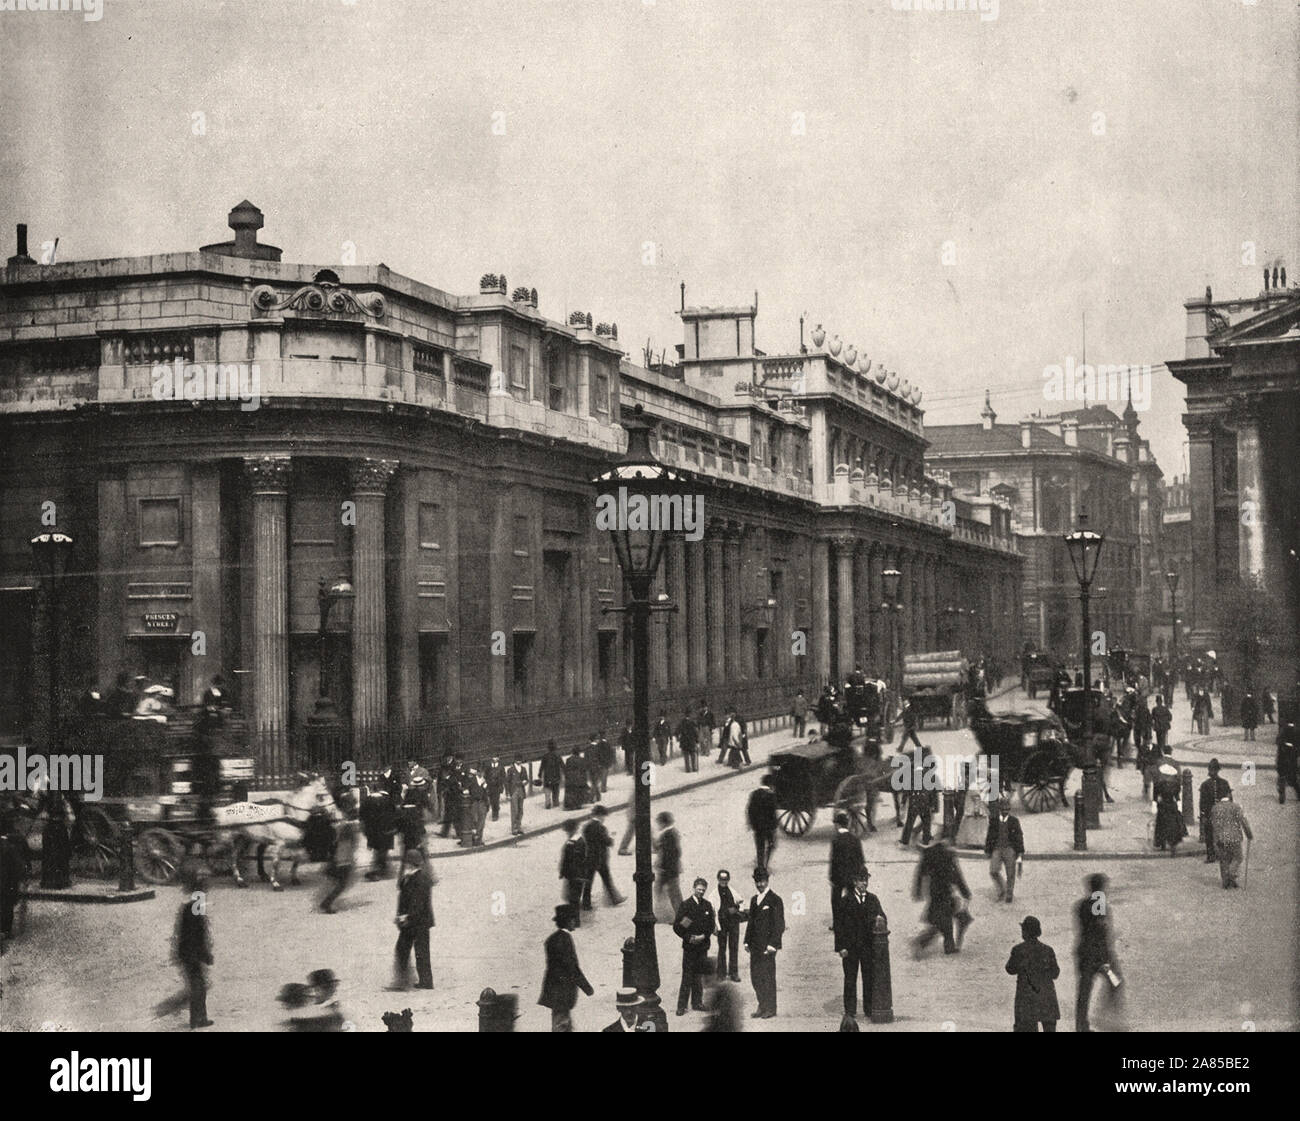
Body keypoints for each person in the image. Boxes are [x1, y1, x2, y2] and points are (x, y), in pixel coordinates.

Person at [164, 869, 214, 1029]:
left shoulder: (190, 904)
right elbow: (198, 931)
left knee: (198, 985)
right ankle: (198, 1019)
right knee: (199, 986)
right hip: (192, 953)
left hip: (187, 951)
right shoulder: (197, 904)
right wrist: (204, 953)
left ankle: (198, 1018)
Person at [835, 867, 886, 1023]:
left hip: (868, 948)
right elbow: (839, 926)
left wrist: (879, 920)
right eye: (861, 880)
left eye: (866, 880)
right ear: (854, 882)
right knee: (850, 978)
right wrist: (841, 947)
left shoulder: (873, 900)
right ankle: (850, 1010)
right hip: (850, 949)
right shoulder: (845, 901)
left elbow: (883, 918)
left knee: (868, 977)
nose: (864, 883)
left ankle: (869, 1008)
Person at [1074, 873, 1120, 1033]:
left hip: (1085, 955)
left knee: (1084, 991)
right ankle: (1110, 1020)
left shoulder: (1080, 905)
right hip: (1101, 958)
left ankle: (1081, 1027)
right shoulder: (1098, 903)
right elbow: (1100, 925)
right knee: (1116, 981)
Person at [912, 837, 973, 956]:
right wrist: (965, 892)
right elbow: (957, 876)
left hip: (934, 892)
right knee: (942, 922)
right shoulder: (949, 854)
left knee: (943, 920)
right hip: (945, 892)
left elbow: (920, 873)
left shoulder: (928, 853)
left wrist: (918, 891)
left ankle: (947, 946)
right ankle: (923, 942)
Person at [538, 904, 594, 1032]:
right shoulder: (565, 940)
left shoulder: (552, 939)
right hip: (562, 992)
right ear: (568, 921)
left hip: (554, 990)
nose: (575, 922)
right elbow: (572, 968)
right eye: (573, 919)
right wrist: (586, 987)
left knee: (563, 1023)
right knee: (561, 1025)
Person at [740, 867, 785, 1019]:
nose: (760, 884)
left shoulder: (775, 900)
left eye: (762, 881)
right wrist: (747, 941)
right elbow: (751, 922)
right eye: (757, 882)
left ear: (767, 881)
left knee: (768, 977)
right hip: (755, 947)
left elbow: (779, 924)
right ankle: (762, 1005)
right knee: (755, 977)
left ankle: (771, 1008)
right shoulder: (754, 900)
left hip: (767, 947)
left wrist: (773, 944)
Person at [390, 849, 435, 991]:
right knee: (414, 950)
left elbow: (418, 903)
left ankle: (411, 982)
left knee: (412, 950)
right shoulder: (410, 877)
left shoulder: (420, 879)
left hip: (417, 921)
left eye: (406, 863)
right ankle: (421, 981)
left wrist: (406, 917)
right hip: (413, 921)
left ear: (411, 863)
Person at [1006, 916, 1060, 1032]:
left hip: (1026, 999)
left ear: (1025, 932)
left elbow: (1010, 969)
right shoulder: (1048, 950)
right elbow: (1055, 973)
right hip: (1047, 997)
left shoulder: (1018, 950)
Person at [673, 877, 716, 1015]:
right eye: (699, 889)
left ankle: (697, 1003)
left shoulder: (707, 906)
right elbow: (678, 926)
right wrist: (689, 937)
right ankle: (681, 1006)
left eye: (703, 890)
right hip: (690, 947)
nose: (701, 892)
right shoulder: (686, 905)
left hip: (702, 947)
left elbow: (710, 925)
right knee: (687, 976)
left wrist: (704, 936)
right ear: (694, 888)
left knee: (698, 976)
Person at [319, 790, 359, 914]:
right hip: (342, 856)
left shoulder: (340, 817)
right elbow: (346, 840)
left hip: (338, 854)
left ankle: (326, 901)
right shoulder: (345, 821)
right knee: (342, 883)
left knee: (340, 882)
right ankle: (326, 903)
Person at [581, 805, 625, 909]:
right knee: (607, 879)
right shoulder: (601, 827)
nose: (604, 818)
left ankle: (586, 903)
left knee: (589, 882)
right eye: (604, 816)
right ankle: (615, 899)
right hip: (600, 858)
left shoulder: (587, 826)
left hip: (590, 856)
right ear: (600, 815)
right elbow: (606, 842)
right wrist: (611, 838)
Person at [828, 809, 865, 930]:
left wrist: (832, 877)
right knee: (852, 898)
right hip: (852, 876)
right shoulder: (855, 839)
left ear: (838, 824)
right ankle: (854, 922)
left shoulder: (835, 839)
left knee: (836, 900)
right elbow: (861, 860)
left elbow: (833, 860)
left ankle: (837, 924)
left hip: (839, 876)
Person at [984, 798, 1025, 903]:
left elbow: (1019, 837)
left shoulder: (1014, 821)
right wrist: (988, 850)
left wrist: (1020, 852)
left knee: (1010, 873)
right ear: (1000, 809)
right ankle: (1002, 889)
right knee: (993, 871)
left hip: (1009, 849)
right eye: (1003, 809)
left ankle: (1009, 894)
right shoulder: (994, 821)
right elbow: (989, 836)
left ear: (1010, 809)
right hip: (997, 849)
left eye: (1007, 809)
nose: (1005, 811)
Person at [1209, 793, 1252, 889]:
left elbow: (1213, 825)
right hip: (1234, 837)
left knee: (1224, 859)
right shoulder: (1235, 807)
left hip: (1221, 838)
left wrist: (1215, 840)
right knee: (1238, 857)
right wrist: (1249, 834)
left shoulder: (1215, 808)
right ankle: (1231, 875)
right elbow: (1243, 821)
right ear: (1230, 798)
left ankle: (1226, 882)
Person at [1198, 759, 1232, 864]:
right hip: (1222, 813)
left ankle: (1211, 855)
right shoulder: (1225, 783)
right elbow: (1230, 799)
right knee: (1222, 834)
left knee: (1209, 835)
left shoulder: (1205, 785)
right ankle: (1223, 854)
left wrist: (1202, 814)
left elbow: (1202, 802)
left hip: (1210, 813)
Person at [714, 868, 742, 983]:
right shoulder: (714, 893)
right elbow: (713, 910)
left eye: (725, 879)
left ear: (728, 879)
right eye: (721, 879)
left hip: (733, 923)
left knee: (734, 947)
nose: (723, 881)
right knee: (722, 948)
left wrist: (735, 909)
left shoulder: (732, 891)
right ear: (718, 879)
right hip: (722, 923)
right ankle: (721, 973)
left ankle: (733, 972)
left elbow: (740, 901)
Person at [1151, 763, 1186, 854]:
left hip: (1162, 806)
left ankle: (1162, 843)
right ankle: (1172, 844)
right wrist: (1179, 805)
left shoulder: (1158, 784)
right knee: (1172, 825)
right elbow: (1177, 796)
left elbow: (1155, 796)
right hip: (1171, 806)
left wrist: (1154, 805)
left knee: (1162, 825)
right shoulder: (1175, 784)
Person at [558, 820, 588, 924]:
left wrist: (562, 872)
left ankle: (575, 920)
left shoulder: (571, 843)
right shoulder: (581, 840)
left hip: (573, 875)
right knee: (575, 897)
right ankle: (575, 918)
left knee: (573, 898)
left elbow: (567, 860)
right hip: (580, 875)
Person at [654, 811, 683, 917]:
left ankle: (679, 916)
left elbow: (668, 853)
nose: (658, 826)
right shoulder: (672, 832)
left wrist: (661, 866)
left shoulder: (667, 835)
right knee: (667, 890)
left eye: (658, 823)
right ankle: (667, 914)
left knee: (673, 893)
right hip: (672, 868)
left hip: (668, 869)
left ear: (663, 823)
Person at [746, 775, 777, 870]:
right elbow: (772, 812)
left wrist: (751, 823)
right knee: (771, 845)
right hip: (768, 827)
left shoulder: (754, 794)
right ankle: (765, 865)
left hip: (757, 827)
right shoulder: (771, 796)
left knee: (760, 847)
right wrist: (774, 825)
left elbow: (750, 810)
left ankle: (760, 865)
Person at [1279, 707, 1300, 803]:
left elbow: (1279, 742)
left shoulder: (1283, 730)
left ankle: (1282, 797)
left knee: (1283, 777)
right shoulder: (1296, 730)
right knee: (1293, 779)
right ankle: (1298, 794)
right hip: (1292, 757)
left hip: (1284, 757)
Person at [504, 755, 529, 837]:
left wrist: (525, 782)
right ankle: (514, 828)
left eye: (520, 760)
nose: (519, 761)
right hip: (514, 791)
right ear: (515, 760)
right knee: (515, 809)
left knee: (521, 809)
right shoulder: (510, 770)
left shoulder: (523, 769)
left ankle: (519, 827)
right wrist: (507, 793)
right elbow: (507, 782)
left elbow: (526, 779)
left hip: (521, 790)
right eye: (518, 760)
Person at [539, 741, 563, 809]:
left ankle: (548, 803)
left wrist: (540, 774)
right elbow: (562, 765)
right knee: (556, 791)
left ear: (548, 748)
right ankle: (556, 802)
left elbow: (542, 767)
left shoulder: (545, 756)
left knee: (547, 791)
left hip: (547, 777)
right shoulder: (558, 755)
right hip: (556, 777)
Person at [484, 755, 505, 821]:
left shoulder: (501, 766)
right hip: (490, 786)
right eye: (493, 757)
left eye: (496, 757)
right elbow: (486, 775)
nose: (495, 759)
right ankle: (496, 809)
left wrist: (500, 783)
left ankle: (495, 815)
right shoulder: (488, 766)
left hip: (497, 786)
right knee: (491, 800)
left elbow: (503, 776)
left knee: (496, 800)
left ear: (498, 758)